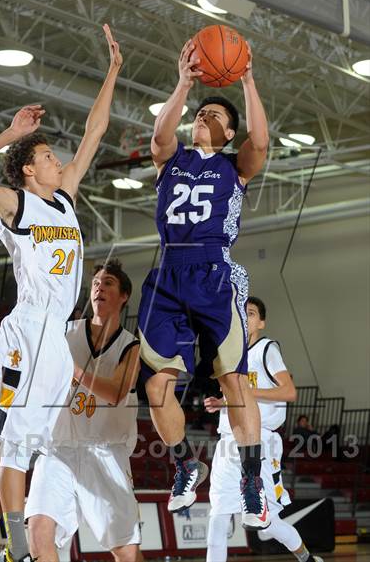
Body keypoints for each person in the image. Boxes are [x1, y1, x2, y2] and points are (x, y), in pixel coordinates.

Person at [0, 24, 122, 562]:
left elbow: (96, 132)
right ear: (29, 168)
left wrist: (113, 71)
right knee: (15, 444)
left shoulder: (64, 202)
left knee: (18, 444)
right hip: (29, 330)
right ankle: (15, 550)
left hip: (55, 334)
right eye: (48, 156)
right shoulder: (17, 205)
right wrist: (7, 133)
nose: (58, 160)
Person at [137, 38, 270, 528]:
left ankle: (252, 478)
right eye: (200, 112)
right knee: (155, 386)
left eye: (213, 114)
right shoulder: (171, 160)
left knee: (233, 380)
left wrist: (248, 80)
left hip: (214, 271)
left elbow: (260, 142)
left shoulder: (236, 167)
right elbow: (159, 132)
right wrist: (184, 82)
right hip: (168, 271)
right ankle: (184, 465)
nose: (202, 116)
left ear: (229, 130)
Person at [0, 260, 143, 562]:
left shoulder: (131, 345)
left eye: (108, 283)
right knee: (39, 536)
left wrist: (75, 371)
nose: (99, 288)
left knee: (127, 553)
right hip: (58, 449)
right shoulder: (63, 332)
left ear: (124, 296)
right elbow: (25, 359)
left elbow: (118, 392)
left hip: (105, 452)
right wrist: (2, 346)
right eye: (95, 283)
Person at [205, 296, 323, 562]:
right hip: (228, 441)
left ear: (261, 322)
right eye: (241, 313)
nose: (245, 317)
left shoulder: (267, 348)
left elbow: (289, 391)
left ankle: (305, 557)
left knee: (267, 522)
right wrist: (222, 403)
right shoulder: (229, 355)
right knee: (218, 515)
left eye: (251, 313)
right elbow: (241, 399)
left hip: (261, 441)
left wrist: (246, 391)